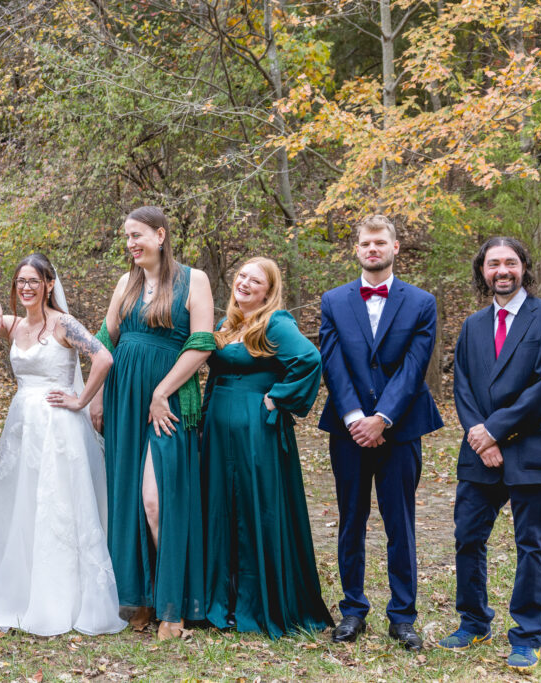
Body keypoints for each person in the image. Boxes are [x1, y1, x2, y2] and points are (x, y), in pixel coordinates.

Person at [0, 253, 126, 636]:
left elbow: (103, 357)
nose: (26, 287)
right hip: (22, 426)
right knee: (21, 501)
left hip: (58, 426)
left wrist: (82, 399)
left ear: (49, 284)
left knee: (57, 504)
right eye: (20, 281)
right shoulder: (14, 325)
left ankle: (62, 595)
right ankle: (20, 585)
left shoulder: (64, 324)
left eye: (33, 281)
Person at [438, 237, 541, 672]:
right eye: (493, 263)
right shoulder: (474, 325)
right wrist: (479, 435)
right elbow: (463, 385)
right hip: (479, 449)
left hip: (533, 446)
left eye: (510, 262)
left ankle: (527, 635)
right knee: (467, 537)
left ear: (523, 266)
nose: (502, 271)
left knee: (530, 544)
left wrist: (495, 433)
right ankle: (474, 621)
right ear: (482, 270)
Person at [89, 206, 214, 640]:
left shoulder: (193, 280)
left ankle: (172, 604)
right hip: (124, 398)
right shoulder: (126, 282)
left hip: (169, 400)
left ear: (161, 235)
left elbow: (201, 343)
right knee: (127, 499)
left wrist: (162, 392)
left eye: (137, 235)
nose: (130, 244)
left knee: (157, 501)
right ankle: (139, 599)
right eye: (126, 237)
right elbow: (106, 341)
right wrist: (98, 397)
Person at [318, 214, 443, 651]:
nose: (373, 249)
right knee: (351, 520)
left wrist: (382, 418)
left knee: (400, 522)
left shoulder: (422, 302)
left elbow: (415, 367)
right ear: (357, 249)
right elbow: (332, 364)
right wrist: (355, 418)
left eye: (380, 243)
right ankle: (352, 610)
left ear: (394, 249)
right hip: (348, 430)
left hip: (401, 429)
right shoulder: (333, 301)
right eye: (365, 243)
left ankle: (403, 615)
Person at [202, 257, 333, 638]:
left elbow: (309, 360)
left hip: (256, 430)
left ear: (269, 290)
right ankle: (222, 602)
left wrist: (277, 397)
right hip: (218, 429)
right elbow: (215, 376)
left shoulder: (275, 323)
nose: (244, 283)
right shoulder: (227, 324)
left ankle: (259, 603)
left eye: (255, 280)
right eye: (241, 275)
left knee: (255, 507)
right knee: (223, 508)